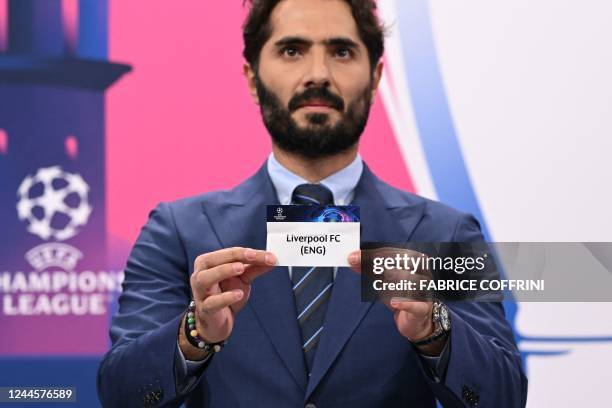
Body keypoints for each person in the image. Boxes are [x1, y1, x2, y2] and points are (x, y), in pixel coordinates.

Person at [97, 0, 527, 407]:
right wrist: (195, 334)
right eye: (291, 50)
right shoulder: (177, 231)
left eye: (341, 51)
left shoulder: (445, 235)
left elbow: (504, 396)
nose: (318, 74)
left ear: (376, 77)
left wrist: (436, 330)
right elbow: (121, 393)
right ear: (252, 77)